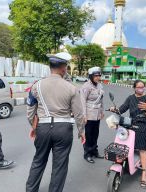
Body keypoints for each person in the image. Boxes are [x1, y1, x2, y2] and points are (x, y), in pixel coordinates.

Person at [26, 52, 86, 192]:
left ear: (50, 67)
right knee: (60, 165)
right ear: (64, 68)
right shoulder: (72, 88)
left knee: (38, 161)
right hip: (63, 129)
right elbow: (78, 114)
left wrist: (34, 126)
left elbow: (30, 111)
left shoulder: (36, 86)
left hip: (43, 128)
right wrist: (81, 131)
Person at [110, 80, 146, 188]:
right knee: (122, 143)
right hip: (132, 123)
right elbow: (122, 108)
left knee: (142, 148)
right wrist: (115, 109)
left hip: (144, 125)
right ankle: (120, 163)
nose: (141, 89)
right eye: (138, 87)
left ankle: (144, 174)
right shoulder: (130, 98)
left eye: (142, 87)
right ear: (134, 88)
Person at [80, 67, 104, 164]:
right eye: (95, 75)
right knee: (88, 135)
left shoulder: (100, 86)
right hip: (89, 115)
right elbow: (82, 102)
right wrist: (84, 116)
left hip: (97, 114)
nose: (98, 77)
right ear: (91, 76)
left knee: (95, 134)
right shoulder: (86, 86)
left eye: (99, 75)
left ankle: (94, 151)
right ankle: (87, 154)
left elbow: (101, 99)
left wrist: (102, 111)